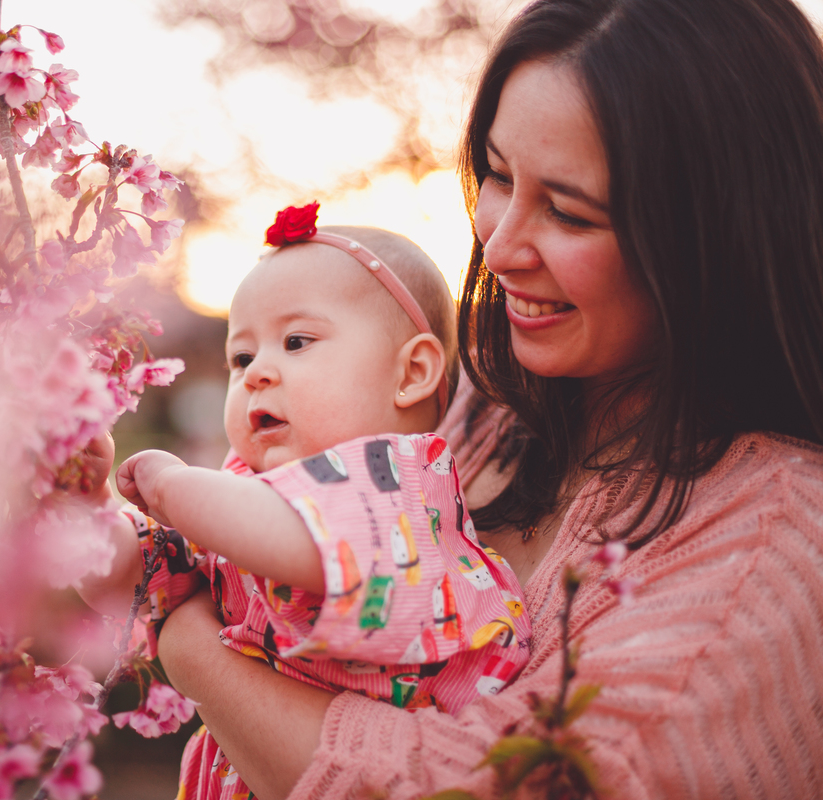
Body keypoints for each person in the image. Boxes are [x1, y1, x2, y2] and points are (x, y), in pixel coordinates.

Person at [151, 0, 823, 798]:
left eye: (567, 211)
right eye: (499, 175)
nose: (497, 247)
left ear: (713, 238)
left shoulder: (769, 551)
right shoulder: (472, 403)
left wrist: (187, 646)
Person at [79, 210, 530, 800]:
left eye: (297, 342)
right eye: (241, 359)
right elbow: (144, 584)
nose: (258, 373)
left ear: (412, 372)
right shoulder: (243, 497)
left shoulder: (397, 481)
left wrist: (171, 486)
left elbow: (295, 540)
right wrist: (88, 511)